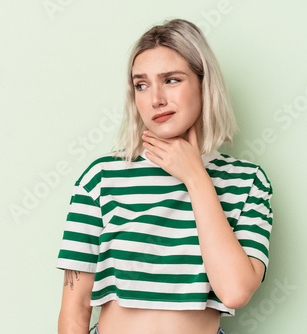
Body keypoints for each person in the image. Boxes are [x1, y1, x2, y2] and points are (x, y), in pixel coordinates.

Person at [56, 18, 273, 334]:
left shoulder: (247, 182)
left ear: (204, 83)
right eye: (141, 84)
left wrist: (196, 178)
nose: (155, 99)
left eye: (171, 80)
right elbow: (74, 310)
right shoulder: (102, 178)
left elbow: (235, 291)